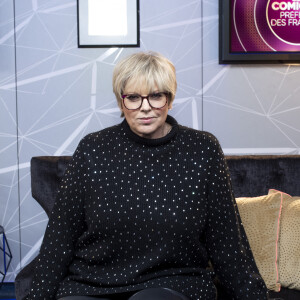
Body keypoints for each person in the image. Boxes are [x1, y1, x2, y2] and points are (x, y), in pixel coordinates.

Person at [25, 51, 268, 300]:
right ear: (121, 102)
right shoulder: (93, 148)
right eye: (133, 97)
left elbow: (226, 239)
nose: (145, 108)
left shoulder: (202, 149)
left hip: (173, 283)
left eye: (156, 96)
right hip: (92, 283)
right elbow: (60, 236)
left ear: (170, 99)